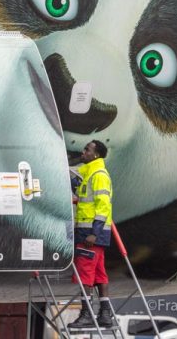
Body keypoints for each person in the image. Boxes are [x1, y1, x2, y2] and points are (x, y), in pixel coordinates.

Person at [68, 140, 114, 329]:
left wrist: (94, 233)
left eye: (87, 149)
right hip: (94, 233)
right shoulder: (91, 173)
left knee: (85, 274)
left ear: (95, 155)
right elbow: (79, 187)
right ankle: (105, 314)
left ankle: (86, 314)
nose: (83, 151)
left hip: (91, 234)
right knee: (99, 274)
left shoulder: (99, 176)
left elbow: (104, 206)